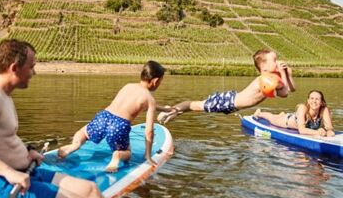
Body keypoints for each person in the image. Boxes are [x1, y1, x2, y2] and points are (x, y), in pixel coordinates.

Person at [0, 39, 174, 198]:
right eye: (31, 67)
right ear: (14, 68)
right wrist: (9, 172)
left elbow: (4, 138)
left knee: (90, 189)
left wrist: (27, 151)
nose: (34, 72)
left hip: (26, 171)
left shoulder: (5, 95)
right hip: (7, 184)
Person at [58, 60, 176, 172]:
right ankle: (117, 156)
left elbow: (134, 104)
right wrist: (148, 155)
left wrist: (164, 109)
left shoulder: (128, 86)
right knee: (128, 152)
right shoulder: (149, 99)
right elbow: (149, 131)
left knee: (83, 132)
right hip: (119, 126)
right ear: (155, 81)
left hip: (103, 117)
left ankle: (74, 145)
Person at [158, 49, 296, 124]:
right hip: (228, 101)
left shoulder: (273, 78)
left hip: (232, 103)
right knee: (193, 106)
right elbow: (285, 93)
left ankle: (171, 112)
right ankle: (169, 110)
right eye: (275, 60)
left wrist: (287, 74)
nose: (278, 62)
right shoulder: (265, 79)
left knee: (195, 107)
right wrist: (284, 73)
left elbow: (292, 89)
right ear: (264, 66)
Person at [254, 90, 335, 137]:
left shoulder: (324, 110)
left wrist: (325, 130)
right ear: (308, 100)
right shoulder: (303, 108)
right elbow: (302, 130)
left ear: (321, 102)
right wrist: (318, 132)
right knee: (272, 118)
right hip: (286, 121)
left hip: (293, 117)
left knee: (276, 117)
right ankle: (259, 113)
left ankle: (281, 114)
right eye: (312, 98)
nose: (314, 101)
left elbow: (329, 128)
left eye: (317, 99)